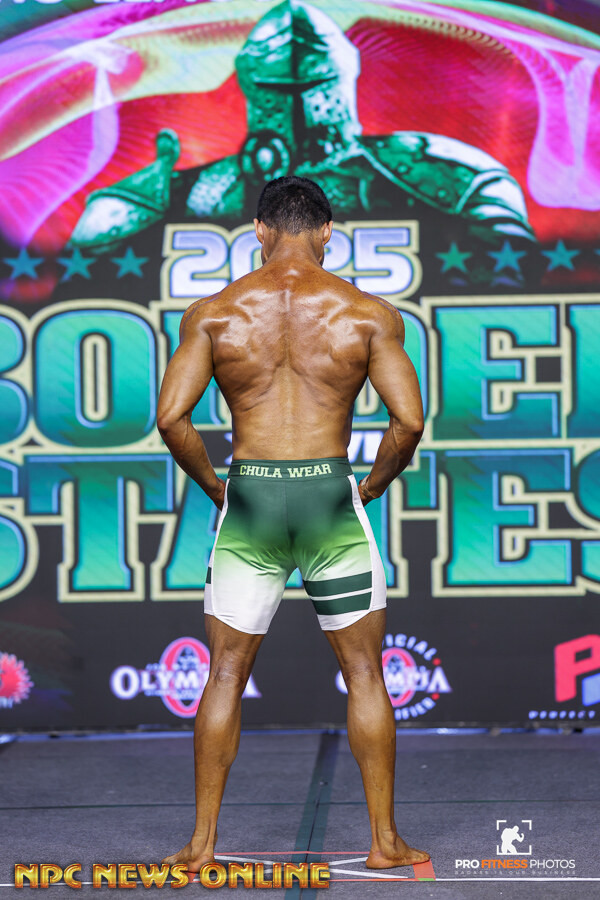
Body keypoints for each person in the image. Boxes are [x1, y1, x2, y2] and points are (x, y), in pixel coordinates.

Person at [157, 175, 429, 872]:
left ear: (259, 230)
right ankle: (384, 844)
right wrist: (370, 487)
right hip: (328, 500)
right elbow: (409, 422)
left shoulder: (214, 314)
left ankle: (201, 845)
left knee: (225, 672)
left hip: (250, 500)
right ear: (327, 232)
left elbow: (171, 418)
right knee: (364, 672)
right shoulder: (366, 314)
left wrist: (217, 487)